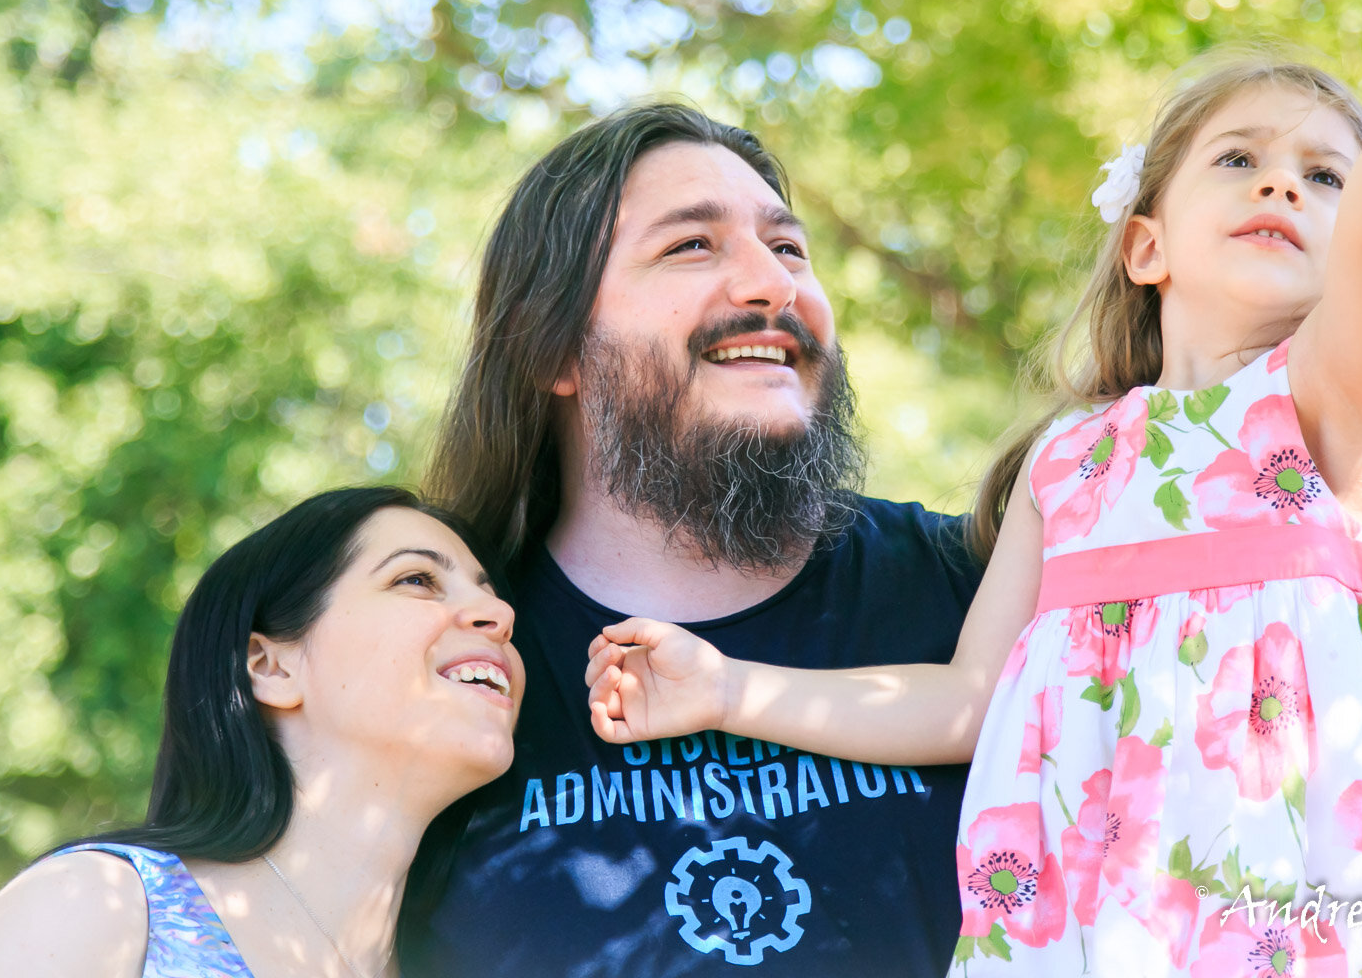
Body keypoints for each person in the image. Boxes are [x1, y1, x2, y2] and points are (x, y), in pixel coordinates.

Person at [586, 0, 1362, 975]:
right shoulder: (1070, 464)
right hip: (1098, 930)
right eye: (1238, 159)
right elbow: (963, 702)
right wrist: (734, 688)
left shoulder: (1327, 412)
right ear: (1146, 243)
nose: (1284, 181)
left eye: (1326, 173)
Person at [419, 104, 983, 975]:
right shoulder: (449, 663)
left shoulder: (982, 592)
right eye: (692, 246)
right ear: (553, 347)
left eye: (789, 249)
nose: (774, 286)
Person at [0, 487, 521, 978]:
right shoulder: (100, 905)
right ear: (272, 667)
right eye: (416, 580)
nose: (500, 617)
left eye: (490, 593)